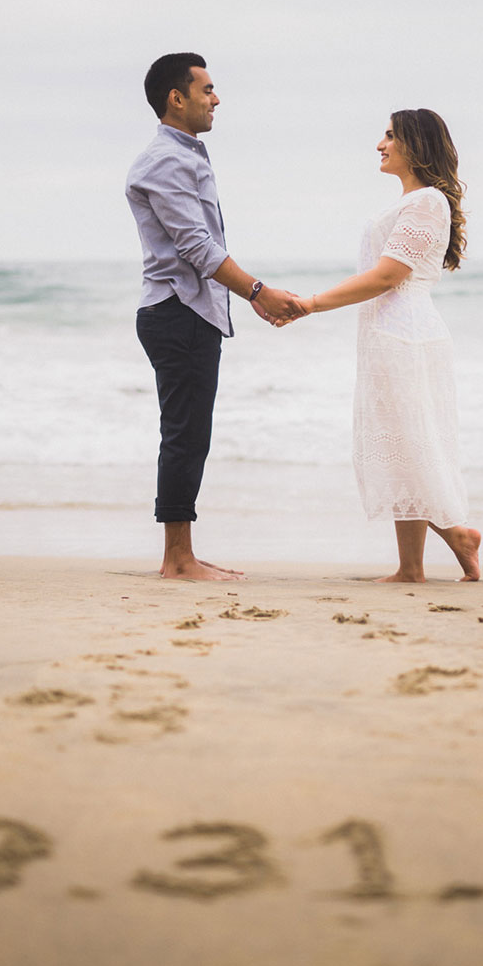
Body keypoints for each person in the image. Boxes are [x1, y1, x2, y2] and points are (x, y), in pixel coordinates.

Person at [126, 52, 304, 581]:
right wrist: (258, 292)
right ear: (175, 98)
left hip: (188, 312)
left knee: (190, 433)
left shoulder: (185, 155)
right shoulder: (164, 161)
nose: (216, 99)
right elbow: (197, 248)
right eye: (206, 90)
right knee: (184, 434)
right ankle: (176, 560)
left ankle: (182, 553)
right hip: (176, 311)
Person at [284, 109, 483, 582]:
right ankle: (411, 568)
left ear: (416, 144)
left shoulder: (428, 202)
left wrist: (311, 303)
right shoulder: (412, 203)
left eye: (391, 136)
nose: (380, 144)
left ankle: (457, 533)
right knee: (399, 444)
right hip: (388, 332)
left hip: (405, 334)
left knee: (411, 443)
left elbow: (389, 276)